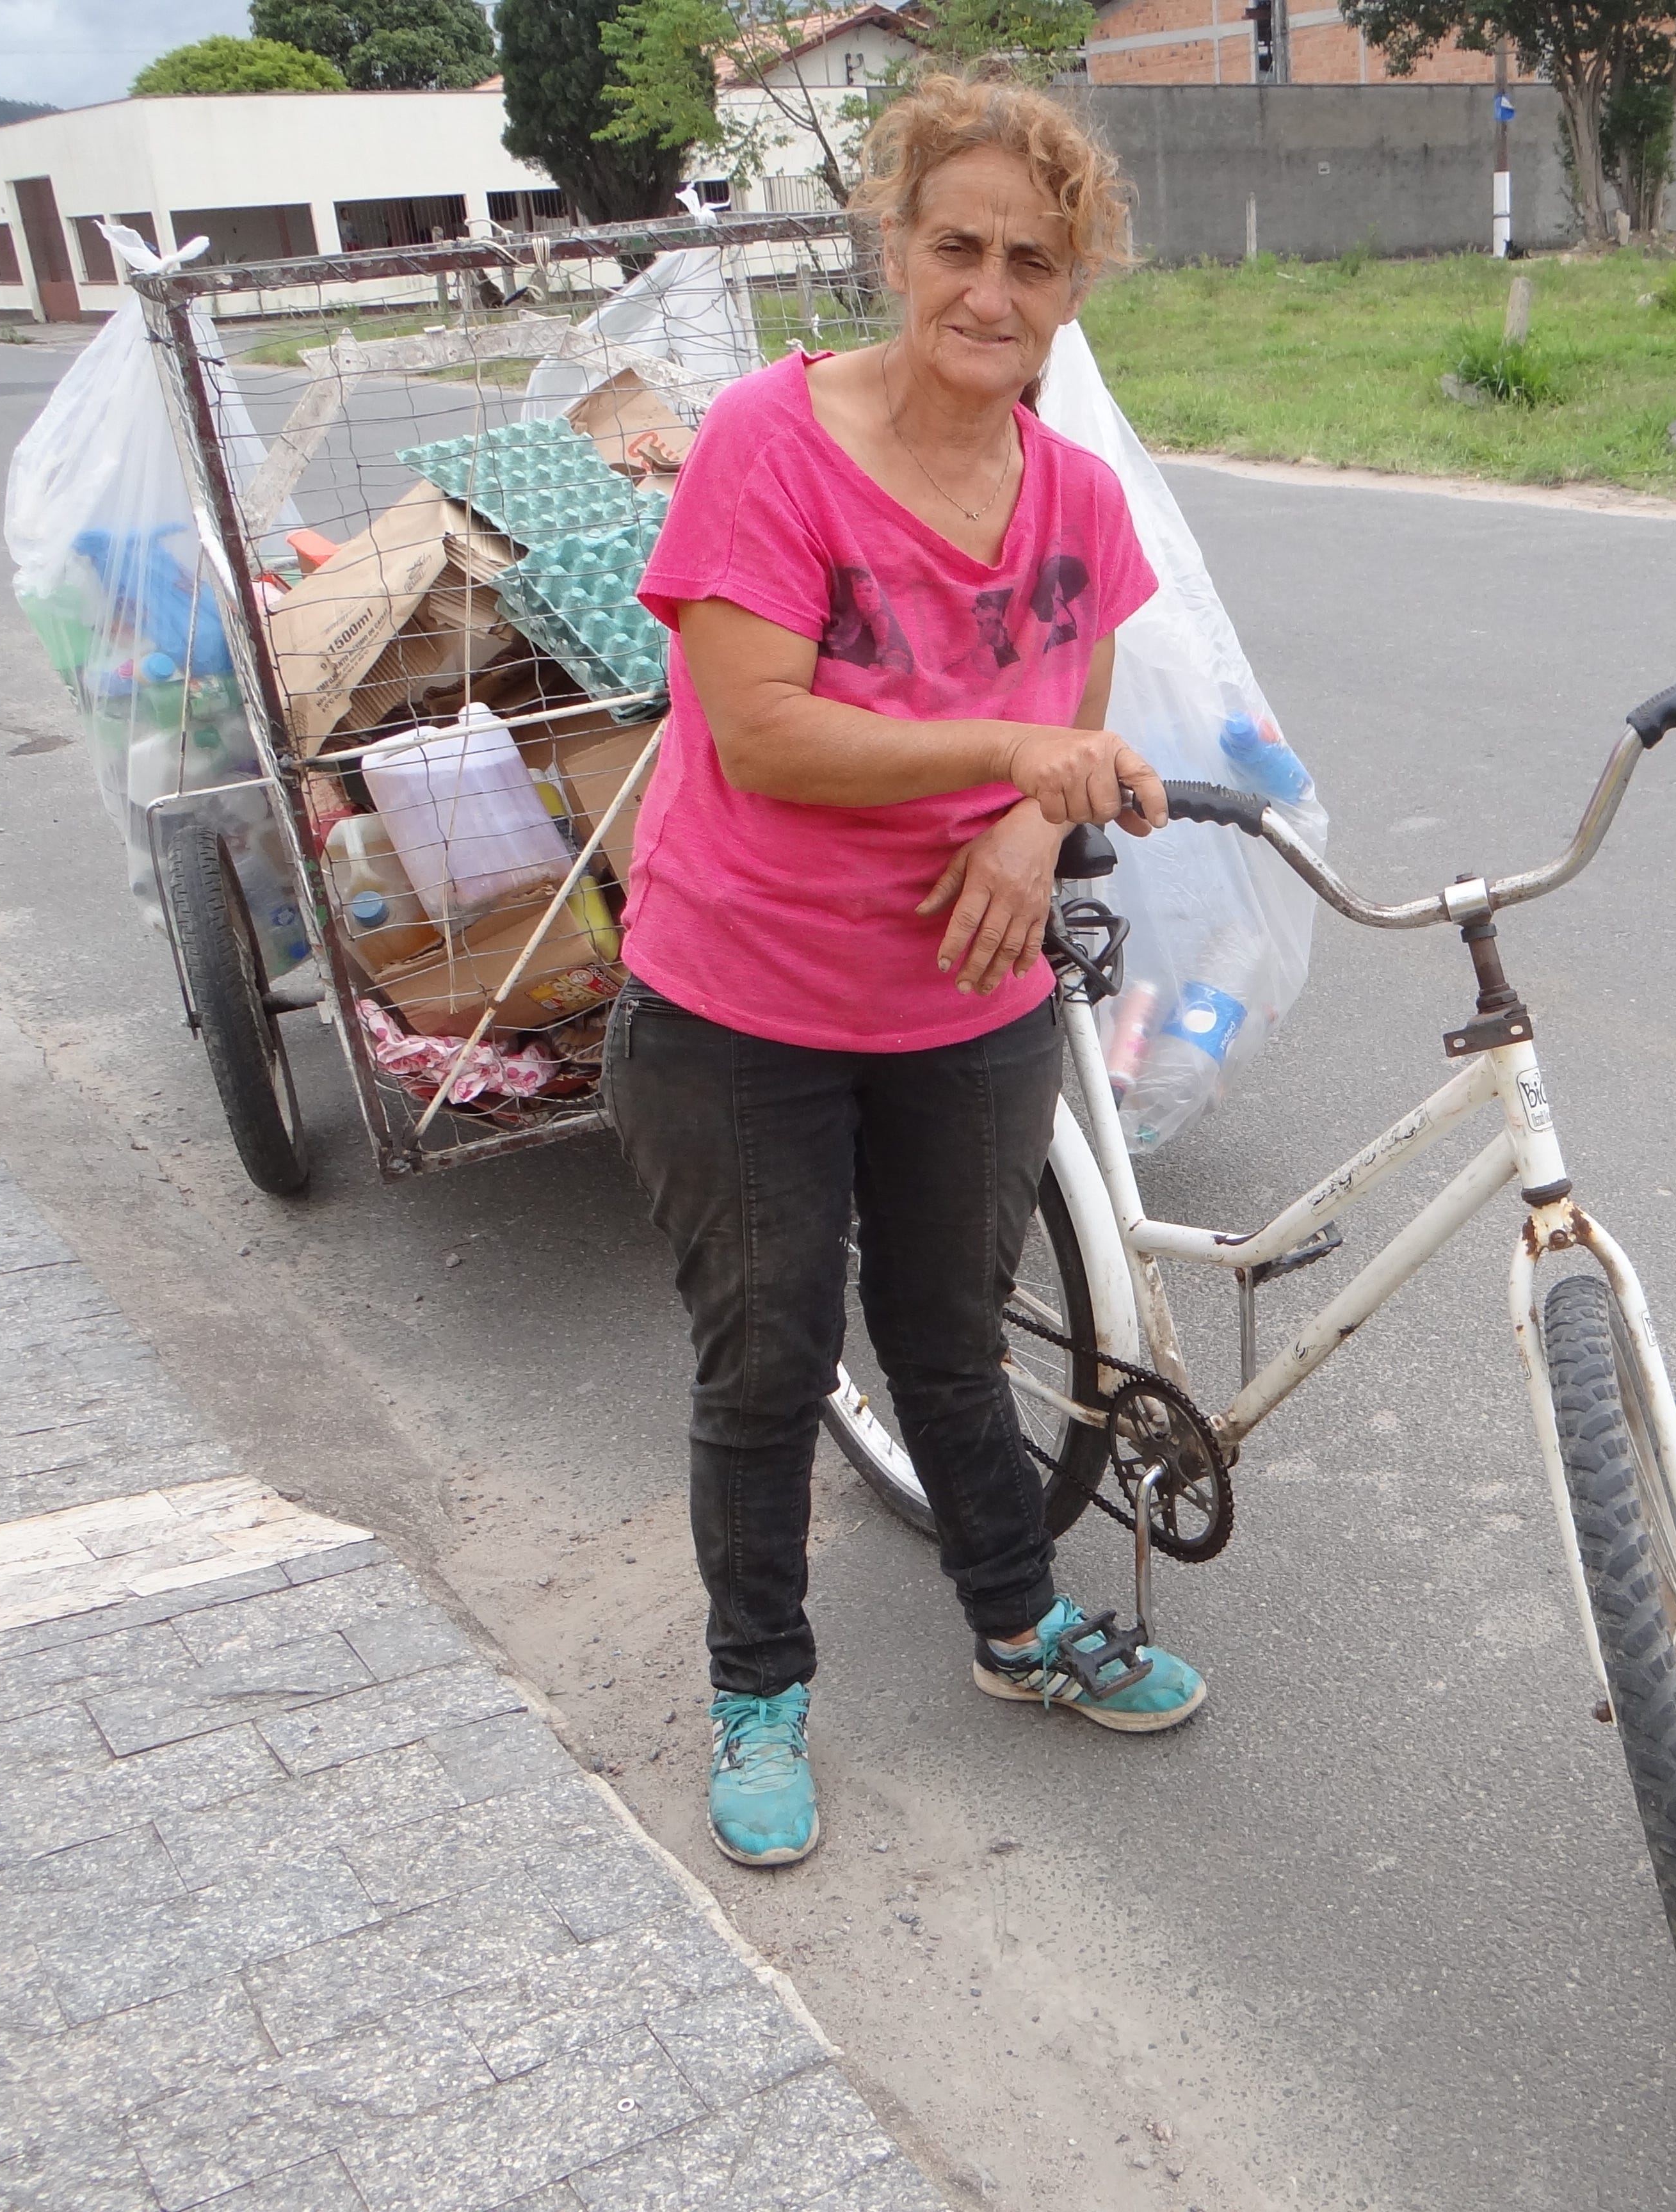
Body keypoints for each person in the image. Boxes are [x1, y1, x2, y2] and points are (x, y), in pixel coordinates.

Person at [604, 72, 1205, 1873]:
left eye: (1035, 260)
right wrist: (1007, 766)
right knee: (769, 1369)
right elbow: (768, 735)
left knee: (951, 1341)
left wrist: (1032, 831)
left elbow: (1073, 711)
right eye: (958, 248)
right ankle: (758, 1687)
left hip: (964, 995)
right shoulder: (767, 451)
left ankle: (1017, 1627)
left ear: (1075, 278)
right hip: (742, 1000)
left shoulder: (1078, 494)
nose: (992, 294)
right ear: (895, 245)